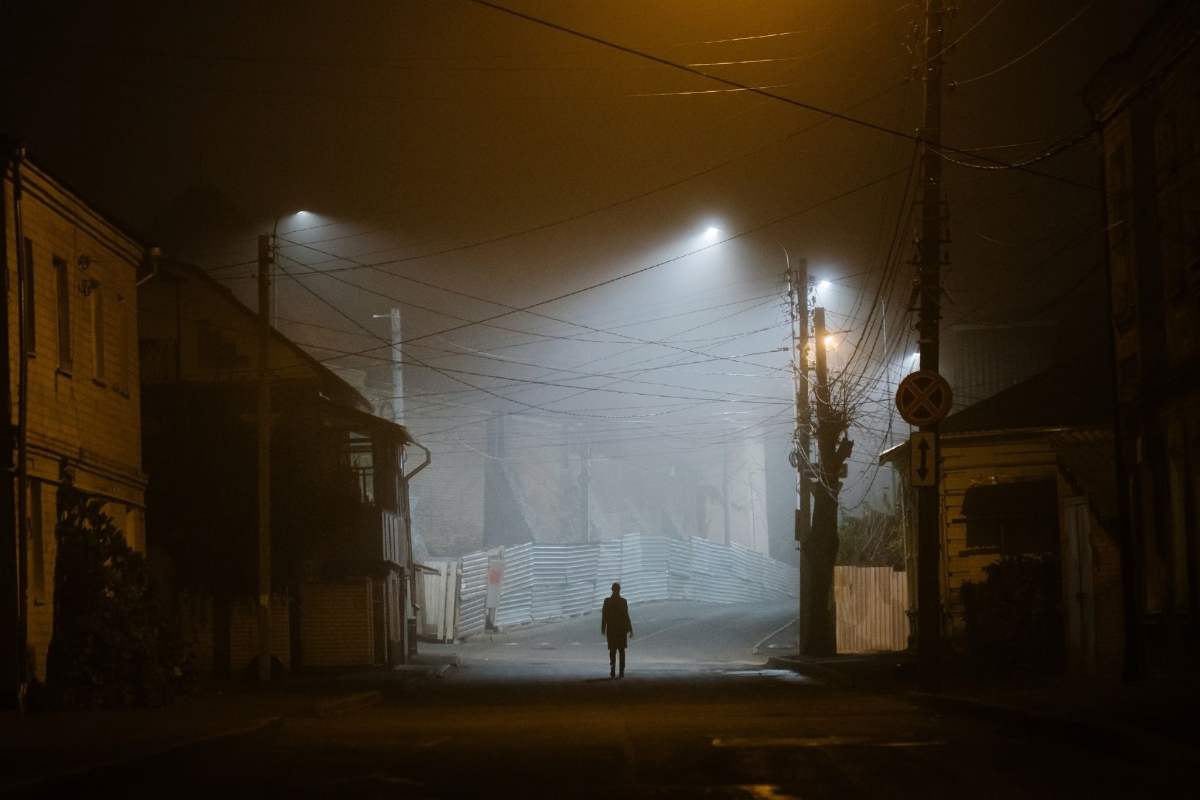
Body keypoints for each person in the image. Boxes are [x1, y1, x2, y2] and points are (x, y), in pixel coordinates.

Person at [600, 582, 633, 678]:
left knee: (612, 651)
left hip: (611, 630)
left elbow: (604, 616)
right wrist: (630, 629)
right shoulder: (623, 601)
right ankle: (621, 671)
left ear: (612, 590)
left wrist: (603, 627)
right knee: (621, 651)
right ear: (619, 590)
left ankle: (612, 670)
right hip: (621, 630)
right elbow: (626, 616)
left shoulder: (607, 601)